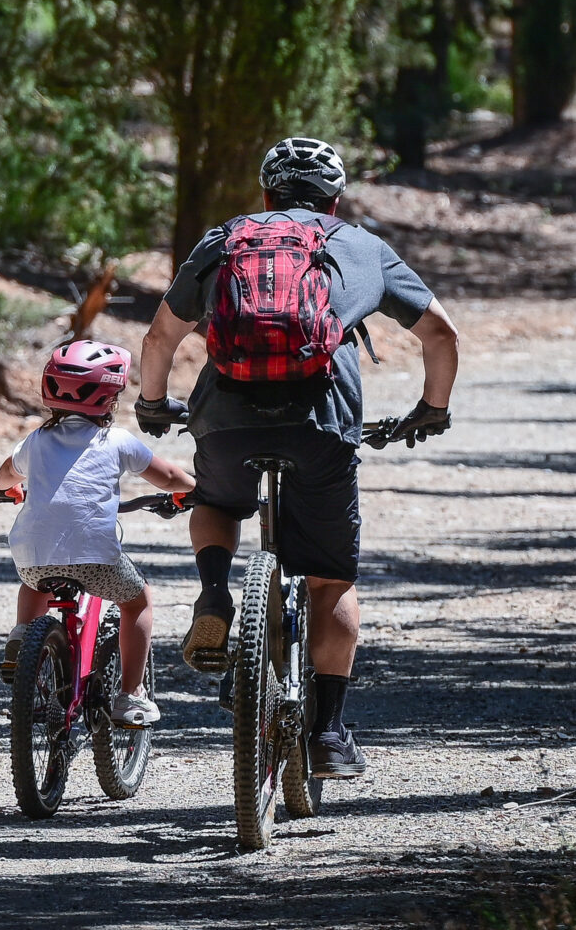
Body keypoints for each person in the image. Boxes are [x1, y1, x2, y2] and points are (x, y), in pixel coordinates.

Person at [133, 135, 460, 780]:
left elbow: (161, 335)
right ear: (335, 201)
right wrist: (432, 408)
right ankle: (329, 733)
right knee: (331, 579)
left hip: (226, 418)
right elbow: (441, 335)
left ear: (265, 194)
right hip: (321, 422)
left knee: (218, 500)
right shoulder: (361, 246)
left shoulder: (226, 238)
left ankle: (217, 596)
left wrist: (151, 405)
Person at [0, 339, 197, 729]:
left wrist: (6, 489)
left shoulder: (35, 441)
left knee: (36, 583)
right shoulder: (116, 440)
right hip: (96, 559)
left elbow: (6, 475)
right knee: (138, 601)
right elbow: (169, 476)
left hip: (34, 557)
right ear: (109, 400)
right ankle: (131, 696)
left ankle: (23, 640)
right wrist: (193, 489)